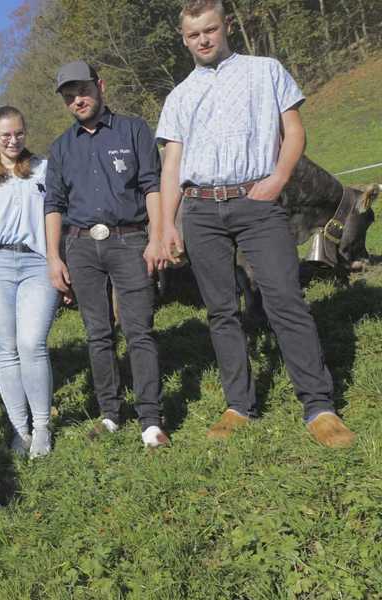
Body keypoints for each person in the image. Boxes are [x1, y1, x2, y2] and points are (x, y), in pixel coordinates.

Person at [156, 0, 354, 447]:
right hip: (202, 211)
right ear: (184, 39)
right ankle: (238, 406)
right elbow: (171, 166)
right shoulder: (179, 97)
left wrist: (278, 178)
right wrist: (167, 224)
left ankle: (319, 405)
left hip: (257, 202)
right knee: (222, 310)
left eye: (210, 29)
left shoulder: (265, 70)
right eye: (193, 35)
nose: (203, 39)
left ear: (225, 26)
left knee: (285, 298)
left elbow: (294, 130)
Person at [44, 61, 169, 448]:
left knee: (139, 331)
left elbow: (152, 185)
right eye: (69, 97)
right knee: (97, 334)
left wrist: (157, 237)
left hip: (130, 240)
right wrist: (54, 257)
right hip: (81, 247)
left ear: (100, 87)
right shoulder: (61, 148)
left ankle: (151, 419)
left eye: (82, 91)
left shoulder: (134, 129)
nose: (77, 100)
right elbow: (53, 205)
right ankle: (111, 413)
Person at [0, 106, 60, 458]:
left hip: (37, 262)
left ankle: (43, 427)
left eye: (18, 133)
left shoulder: (43, 169)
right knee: (6, 351)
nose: (13, 140)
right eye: (5, 135)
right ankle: (20, 431)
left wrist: (58, 261)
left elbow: (57, 214)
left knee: (32, 343)